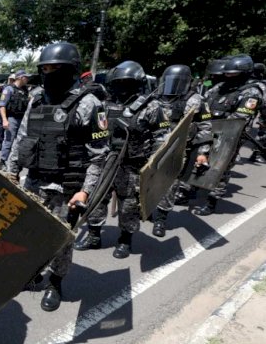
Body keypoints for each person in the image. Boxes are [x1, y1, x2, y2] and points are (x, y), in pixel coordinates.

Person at [7, 42, 110, 311]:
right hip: (34, 182)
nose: (49, 73)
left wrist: (85, 191)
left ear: (70, 70)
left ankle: (55, 282)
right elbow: (21, 138)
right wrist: (12, 172)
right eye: (45, 68)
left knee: (61, 240)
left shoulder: (90, 104)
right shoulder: (37, 98)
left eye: (55, 68)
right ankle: (33, 272)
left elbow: (99, 156)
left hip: (67, 186)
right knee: (31, 234)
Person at [73, 61, 168, 258]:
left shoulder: (151, 106)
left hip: (132, 164)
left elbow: (162, 137)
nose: (121, 87)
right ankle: (94, 236)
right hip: (106, 161)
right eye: (118, 83)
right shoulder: (105, 103)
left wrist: (152, 165)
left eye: (126, 82)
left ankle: (125, 240)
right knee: (97, 199)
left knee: (128, 205)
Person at [194, 54, 266, 215]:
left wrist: (213, 126)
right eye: (227, 73)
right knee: (198, 159)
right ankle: (190, 188)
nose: (229, 76)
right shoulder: (220, 87)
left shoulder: (251, 93)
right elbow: (204, 101)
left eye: (233, 74)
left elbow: (239, 118)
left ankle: (211, 201)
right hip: (208, 129)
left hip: (230, 136)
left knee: (220, 167)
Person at [152, 65, 212, 235]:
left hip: (179, 149)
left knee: (170, 184)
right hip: (153, 148)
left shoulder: (197, 100)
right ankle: (147, 209)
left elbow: (205, 128)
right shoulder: (156, 98)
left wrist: (203, 152)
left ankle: (161, 219)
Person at [0, 70, 30, 170]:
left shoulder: (25, 90)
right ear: (20, 77)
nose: (27, 79)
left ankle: (16, 163)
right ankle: (2, 161)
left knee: (21, 141)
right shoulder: (9, 89)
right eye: (26, 77)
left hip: (22, 119)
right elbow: (2, 106)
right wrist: (4, 120)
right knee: (8, 141)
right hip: (12, 118)